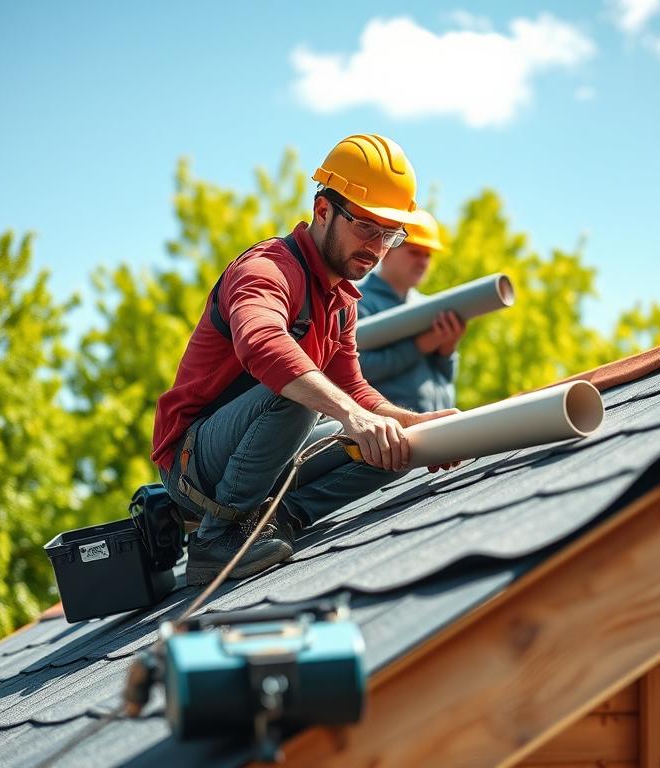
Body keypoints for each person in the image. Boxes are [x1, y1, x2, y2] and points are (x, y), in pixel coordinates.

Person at [151, 134, 456, 586]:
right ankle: (216, 541)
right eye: (365, 227)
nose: (376, 247)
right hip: (193, 464)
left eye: (389, 234)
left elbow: (354, 390)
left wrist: (413, 424)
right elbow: (262, 343)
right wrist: (351, 415)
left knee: (391, 445)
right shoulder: (267, 269)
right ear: (323, 211)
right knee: (302, 393)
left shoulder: (341, 302)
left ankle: (279, 519)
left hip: (259, 456)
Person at [357, 210, 465, 413]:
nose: (423, 261)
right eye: (414, 251)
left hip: (440, 428)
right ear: (387, 249)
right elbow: (356, 369)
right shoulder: (359, 302)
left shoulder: (429, 306)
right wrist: (420, 346)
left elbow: (446, 378)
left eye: (428, 254)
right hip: (391, 436)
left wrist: (447, 350)